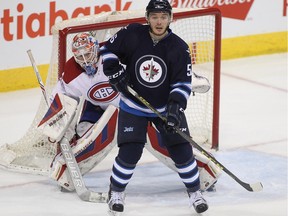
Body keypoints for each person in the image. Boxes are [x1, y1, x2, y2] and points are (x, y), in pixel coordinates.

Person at [99, 0, 209, 214]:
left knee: (182, 151)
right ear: (147, 18)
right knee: (130, 152)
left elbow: (182, 83)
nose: (159, 21)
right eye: (155, 16)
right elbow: (107, 49)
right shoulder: (132, 33)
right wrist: (113, 69)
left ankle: (195, 193)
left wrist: (176, 109)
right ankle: (116, 191)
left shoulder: (179, 47)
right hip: (133, 105)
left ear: (170, 19)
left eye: (163, 17)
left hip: (165, 108)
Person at [46, 32, 121, 191]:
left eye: (87, 54)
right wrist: (54, 124)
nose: (85, 60)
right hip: (97, 107)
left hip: (128, 107)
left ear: (95, 49)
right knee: (84, 134)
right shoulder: (72, 70)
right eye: (80, 57)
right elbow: (61, 97)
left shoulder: (113, 55)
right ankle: (69, 170)